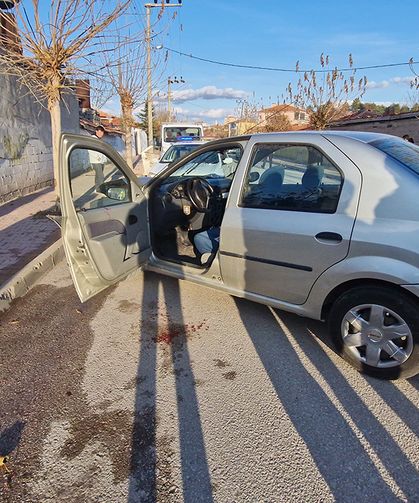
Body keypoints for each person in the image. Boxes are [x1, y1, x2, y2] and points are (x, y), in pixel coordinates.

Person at [90, 125, 107, 190]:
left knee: (98, 175)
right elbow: (91, 149)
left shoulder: (100, 139)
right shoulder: (93, 139)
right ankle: (102, 189)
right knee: (101, 176)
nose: (101, 134)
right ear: (96, 131)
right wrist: (97, 157)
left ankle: (97, 188)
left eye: (102, 133)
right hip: (96, 161)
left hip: (101, 161)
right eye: (99, 132)